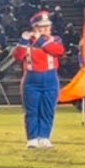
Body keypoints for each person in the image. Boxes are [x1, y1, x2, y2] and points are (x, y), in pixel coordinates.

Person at [13, 10, 65, 149]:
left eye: (47, 27)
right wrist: (23, 41)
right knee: (32, 110)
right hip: (31, 79)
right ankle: (32, 138)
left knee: (48, 109)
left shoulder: (55, 40)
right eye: (41, 27)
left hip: (50, 78)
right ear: (34, 28)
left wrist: (41, 40)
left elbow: (58, 51)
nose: (45, 30)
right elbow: (18, 57)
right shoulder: (26, 42)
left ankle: (45, 137)